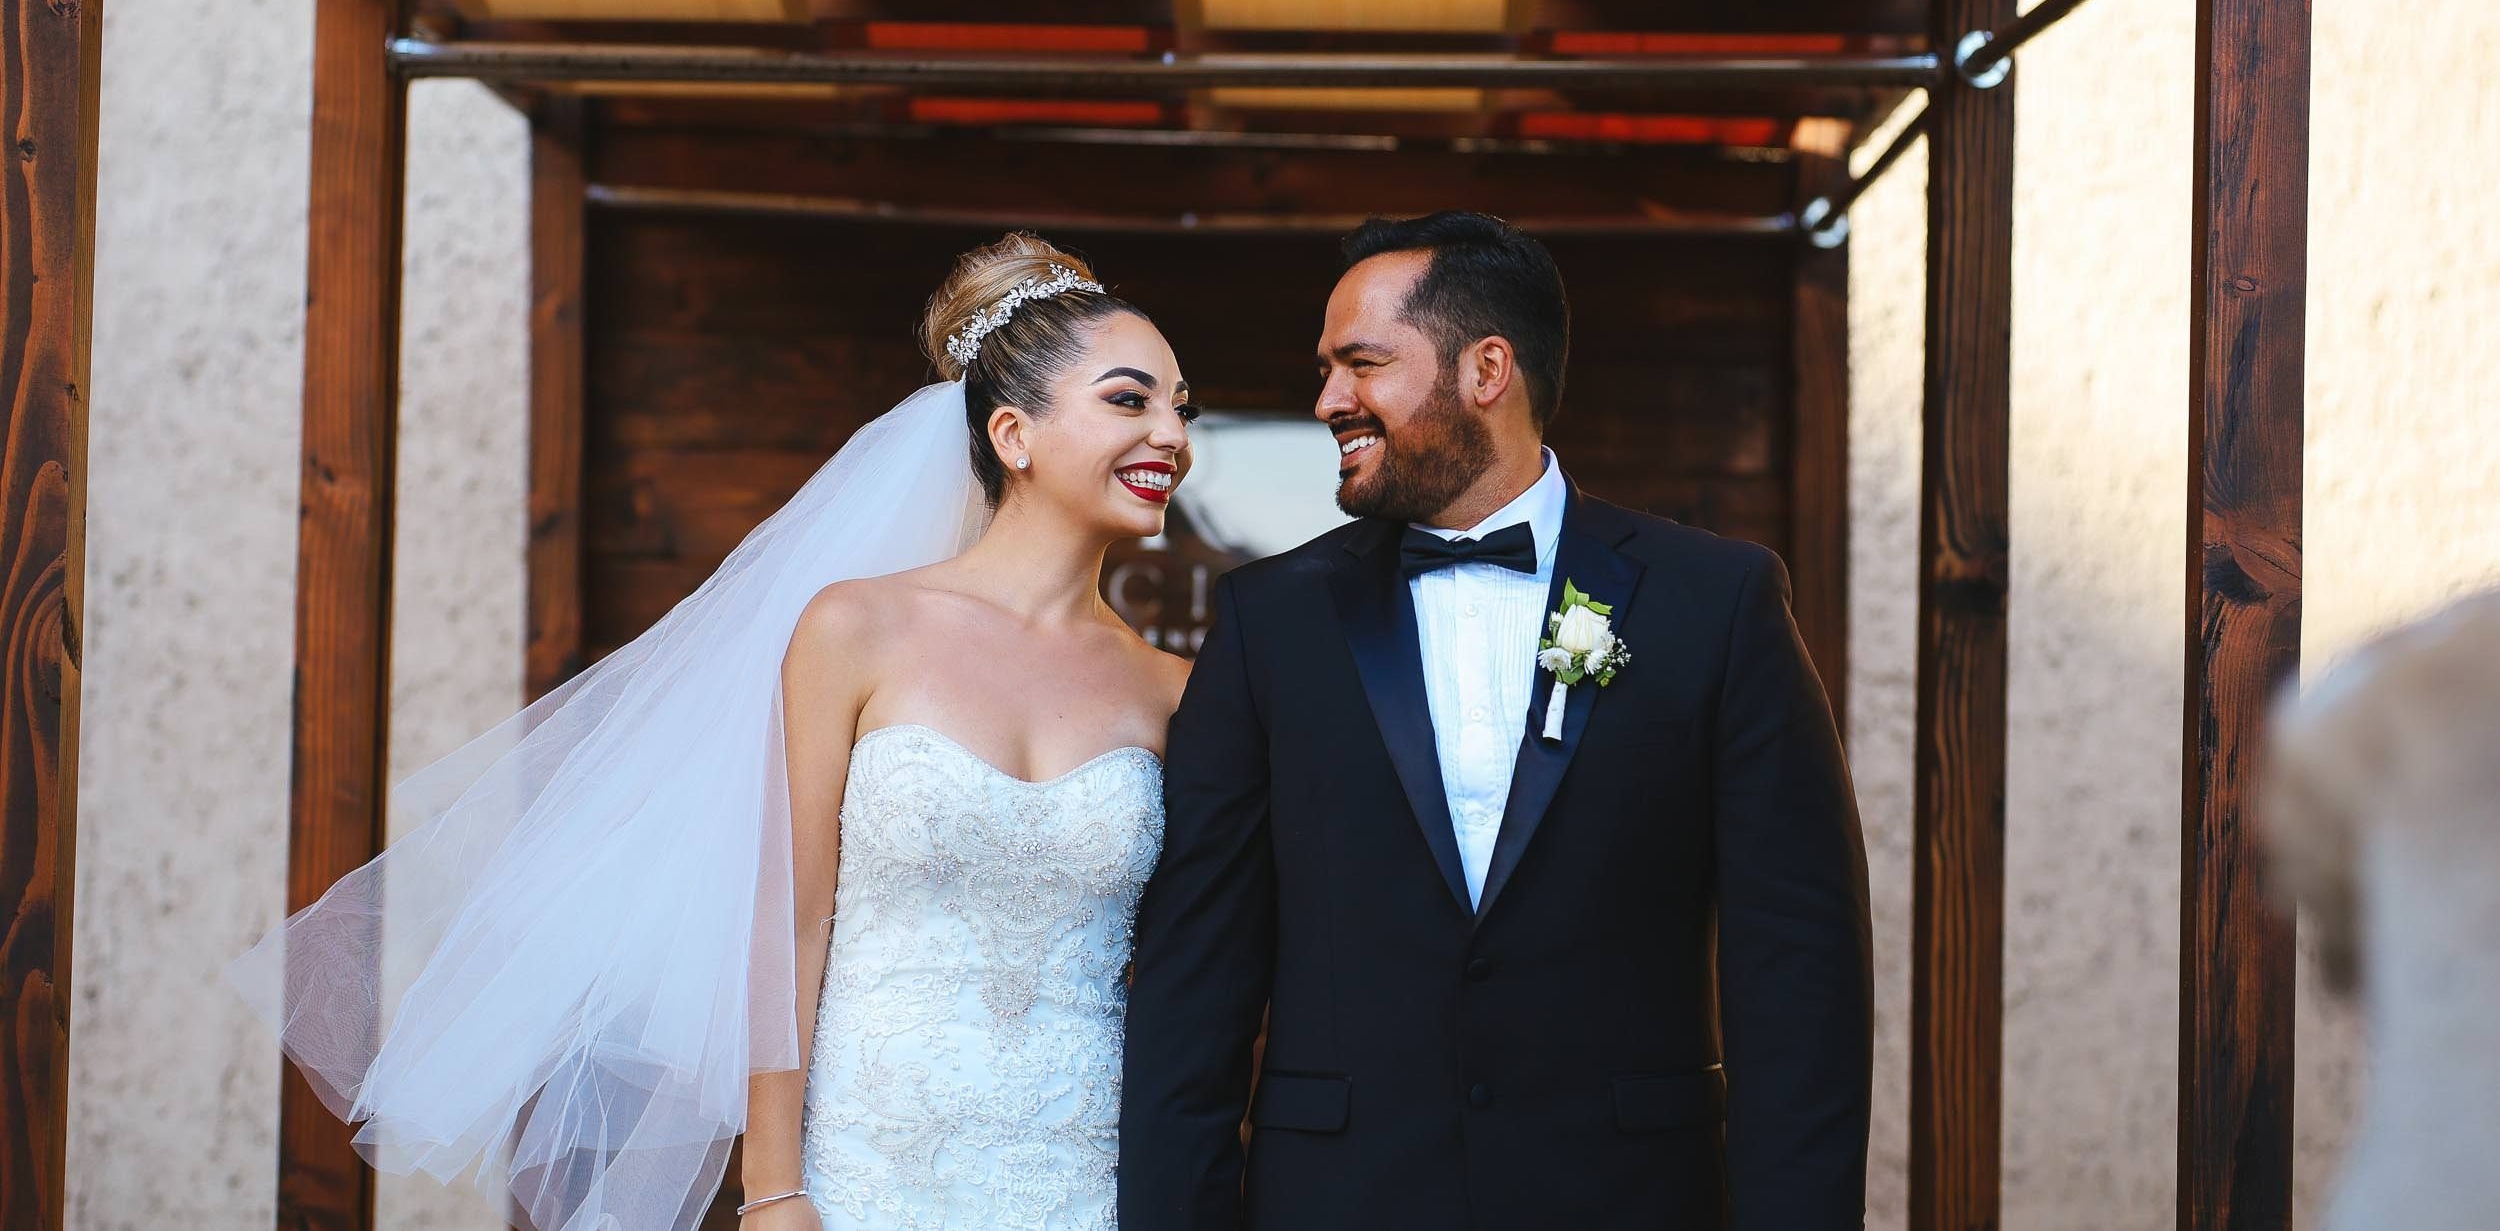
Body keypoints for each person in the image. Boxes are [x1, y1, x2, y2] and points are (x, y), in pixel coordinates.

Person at [229, 233, 1193, 1231]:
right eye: (1130, 399)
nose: (1171, 433)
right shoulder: (855, 628)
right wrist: (774, 1186)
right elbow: (789, 919)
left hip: (1085, 1170)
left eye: (1180, 406)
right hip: (869, 1167)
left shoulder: (1172, 689)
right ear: (1011, 433)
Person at [1119, 210, 1874, 1231]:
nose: (1327, 399)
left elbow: (1799, 972)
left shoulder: (1716, 601)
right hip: (1340, 1201)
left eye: (1361, 363)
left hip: (1629, 1199)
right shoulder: (1271, 623)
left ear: (1486, 368)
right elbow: (1194, 983)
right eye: (1327, 368)